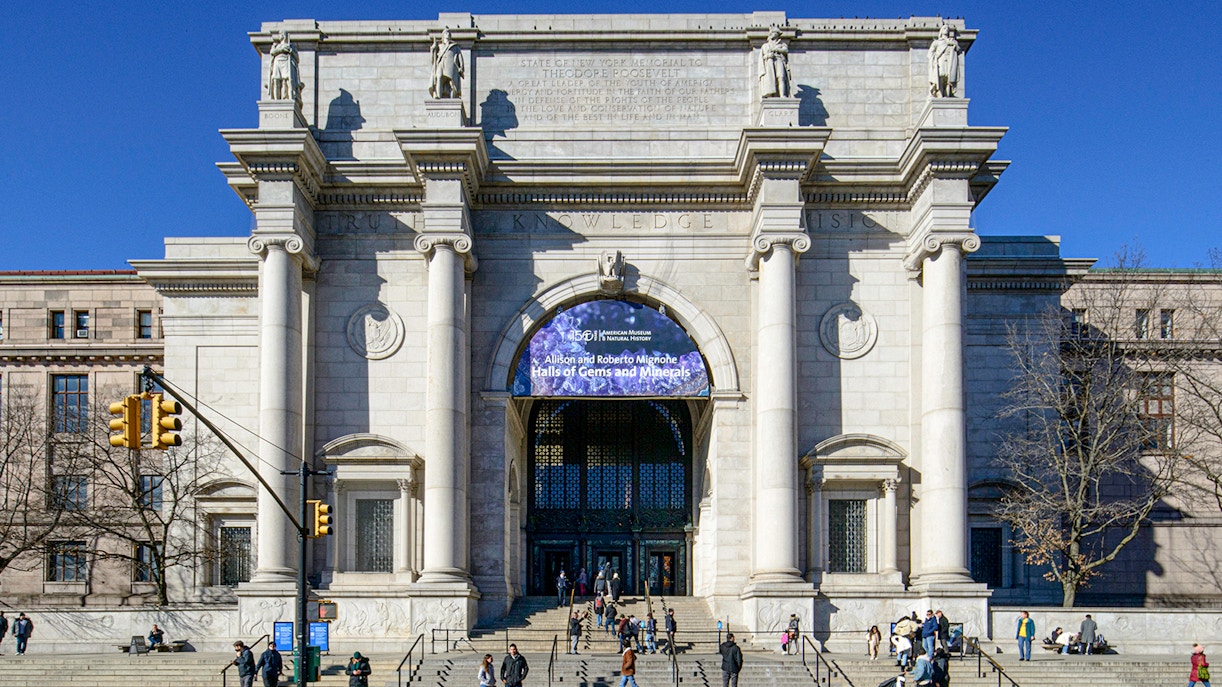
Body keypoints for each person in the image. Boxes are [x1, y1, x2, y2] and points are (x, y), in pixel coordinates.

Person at [927, 24, 961, 98]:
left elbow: (959, 51)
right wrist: (934, 58)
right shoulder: (937, 42)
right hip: (941, 60)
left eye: (947, 28)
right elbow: (930, 53)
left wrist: (955, 45)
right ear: (941, 31)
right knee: (941, 76)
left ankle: (948, 94)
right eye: (944, 28)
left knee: (949, 77)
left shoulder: (952, 41)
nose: (946, 29)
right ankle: (940, 94)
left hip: (950, 60)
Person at [429, 28, 464, 99]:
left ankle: (453, 97)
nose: (448, 34)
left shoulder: (455, 46)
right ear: (443, 36)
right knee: (439, 77)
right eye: (446, 33)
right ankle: (438, 95)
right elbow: (433, 60)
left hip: (451, 66)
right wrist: (433, 49)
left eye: (449, 33)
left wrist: (461, 67)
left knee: (452, 82)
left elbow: (460, 58)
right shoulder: (439, 46)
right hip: (441, 64)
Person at [267, 31, 301, 102]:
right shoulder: (276, 45)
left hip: (286, 62)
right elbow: (272, 52)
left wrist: (291, 51)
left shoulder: (291, 46)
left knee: (286, 81)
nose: (281, 35)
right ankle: (276, 99)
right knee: (276, 80)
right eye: (280, 34)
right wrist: (281, 49)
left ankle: (287, 97)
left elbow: (297, 58)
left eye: (282, 34)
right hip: (278, 62)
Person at [759, 26, 791, 98]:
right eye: (773, 33)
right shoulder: (765, 46)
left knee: (781, 77)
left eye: (776, 33)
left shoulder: (782, 44)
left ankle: (783, 95)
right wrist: (768, 56)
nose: (774, 34)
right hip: (770, 63)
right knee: (771, 79)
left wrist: (776, 49)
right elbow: (762, 58)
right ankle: (771, 95)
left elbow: (785, 50)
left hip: (779, 60)